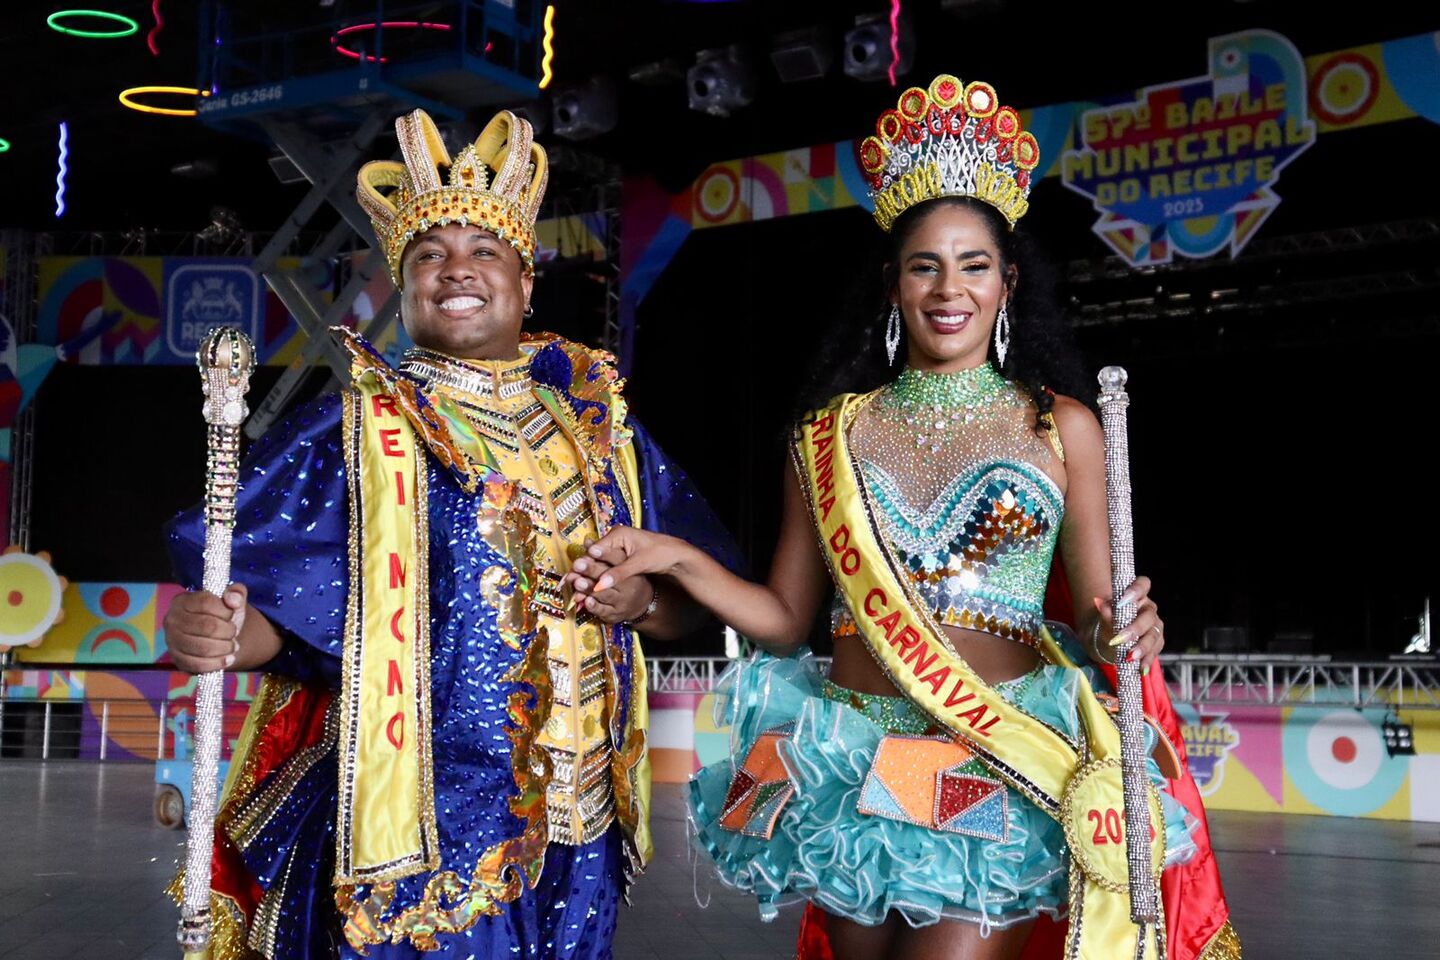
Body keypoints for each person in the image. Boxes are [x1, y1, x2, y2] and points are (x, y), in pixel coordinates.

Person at [570, 75, 1238, 960]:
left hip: (990, 750)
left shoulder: (1063, 427)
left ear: (1007, 283)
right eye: (926, 265)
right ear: (893, 284)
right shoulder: (827, 435)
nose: (949, 288)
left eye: (974, 265)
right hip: (851, 761)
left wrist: (1126, 628)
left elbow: (1098, 612)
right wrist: (676, 558)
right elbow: (785, 620)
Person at [162, 107, 738, 959]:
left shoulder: (599, 430)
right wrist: (214, 632)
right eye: (429, 254)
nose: (457, 268)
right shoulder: (358, 431)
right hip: (427, 831)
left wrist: (643, 602)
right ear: (403, 287)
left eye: (484, 250)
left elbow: (687, 602)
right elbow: (290, 616)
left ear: (526, 282)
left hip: (585, 829)